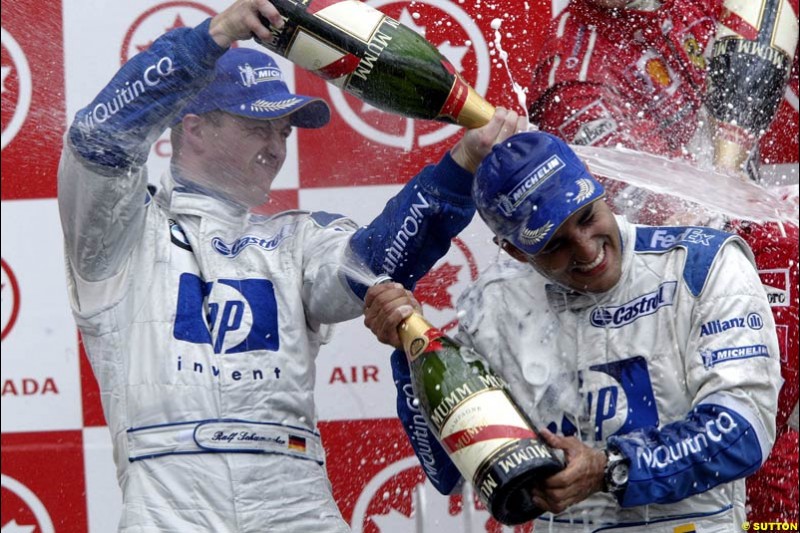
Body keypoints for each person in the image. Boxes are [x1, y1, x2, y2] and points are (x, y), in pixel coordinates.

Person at [57, 0, 528, 530]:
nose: (276, 147)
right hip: (171, 507)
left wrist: (460, 166)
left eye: (283, 130)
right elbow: (98, 140)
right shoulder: (121, 233)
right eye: (259, 125)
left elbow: (371, 268)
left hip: (296, 504)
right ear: (193, 128)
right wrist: (213, 35)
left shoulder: (297, 238)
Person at [363, 131, 782, 531]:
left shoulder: (701, 264)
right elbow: (449, 473)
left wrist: (610, 468)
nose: (587, 249)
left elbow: (744, 429)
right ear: (514, 251)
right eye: (553, 244)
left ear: (596, 185)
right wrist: (411, 351)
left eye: (587, 217)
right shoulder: (495, 306)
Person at [526, 0, 799, 521]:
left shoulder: (697, 5)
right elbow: (645, 221)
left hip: (747, 296)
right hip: (657, 320)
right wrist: (725, 176)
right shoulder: (574, 75)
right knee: (744, 459)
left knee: (768, 455)